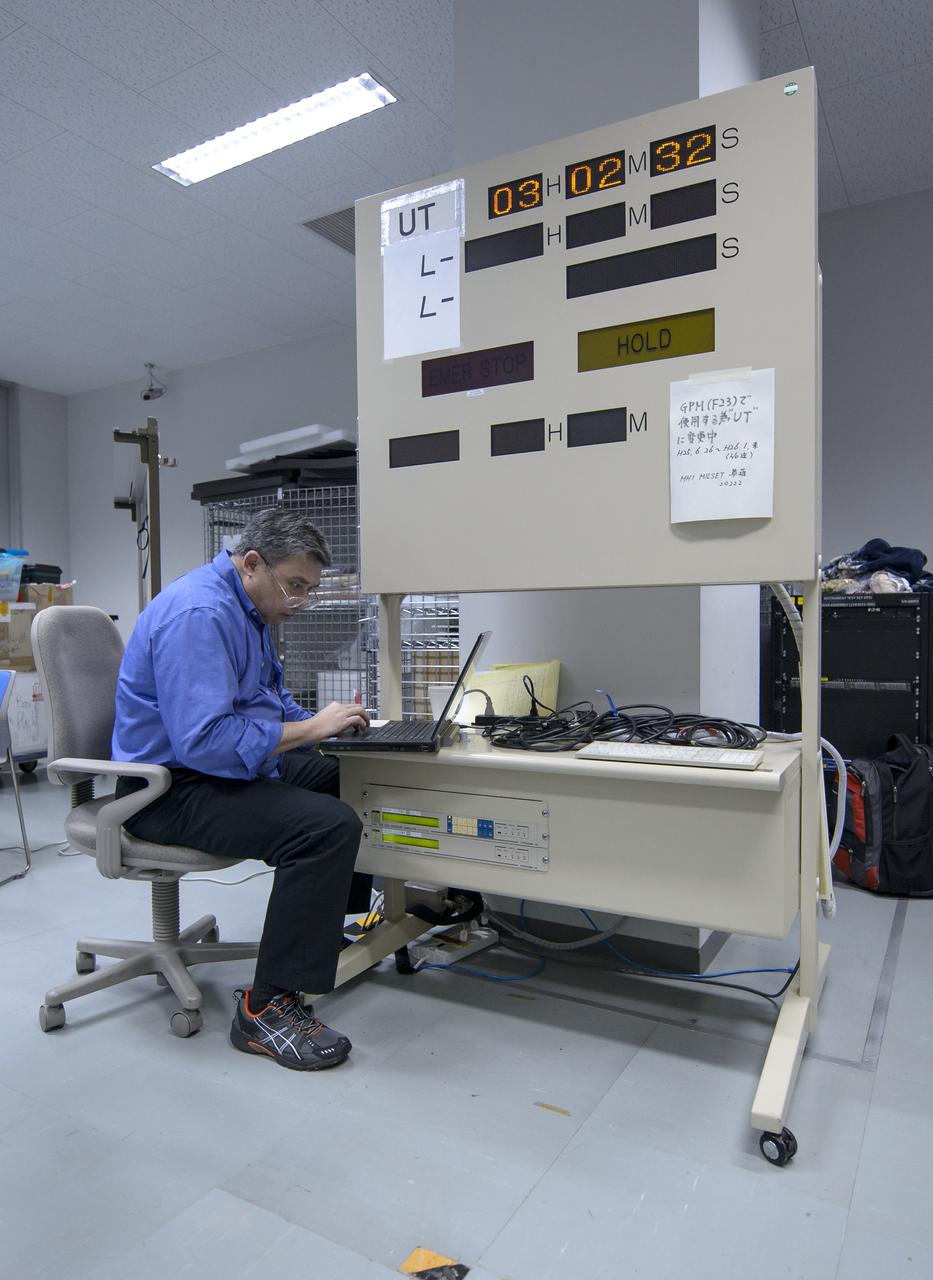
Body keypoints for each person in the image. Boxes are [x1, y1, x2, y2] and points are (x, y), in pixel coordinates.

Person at [112, 506, 370, 1070]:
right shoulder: (200, 614)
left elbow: (267, 704)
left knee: (357, 780)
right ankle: (266, 1010)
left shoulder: (249, 611)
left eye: (308, 588)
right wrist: (309, 729)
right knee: (327, 827)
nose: (300, 600)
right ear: (252, 563)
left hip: (219, 769)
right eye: (294, 585)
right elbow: (205, 741)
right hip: (165, 790)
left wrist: (332, 730)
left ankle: (328, 930)